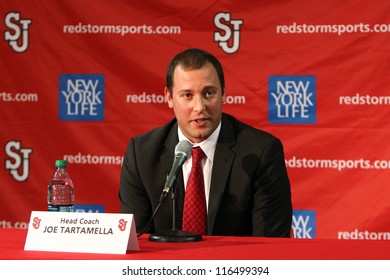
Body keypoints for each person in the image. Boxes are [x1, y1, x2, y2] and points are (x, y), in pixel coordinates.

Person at [119, 48, 292, 237]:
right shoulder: (142, 154)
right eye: (187, 95)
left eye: (209, 93)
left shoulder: (261, 152)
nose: (200, 107)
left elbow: (269, 245)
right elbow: (136, 241)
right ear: (169, 97)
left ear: (223, 93)